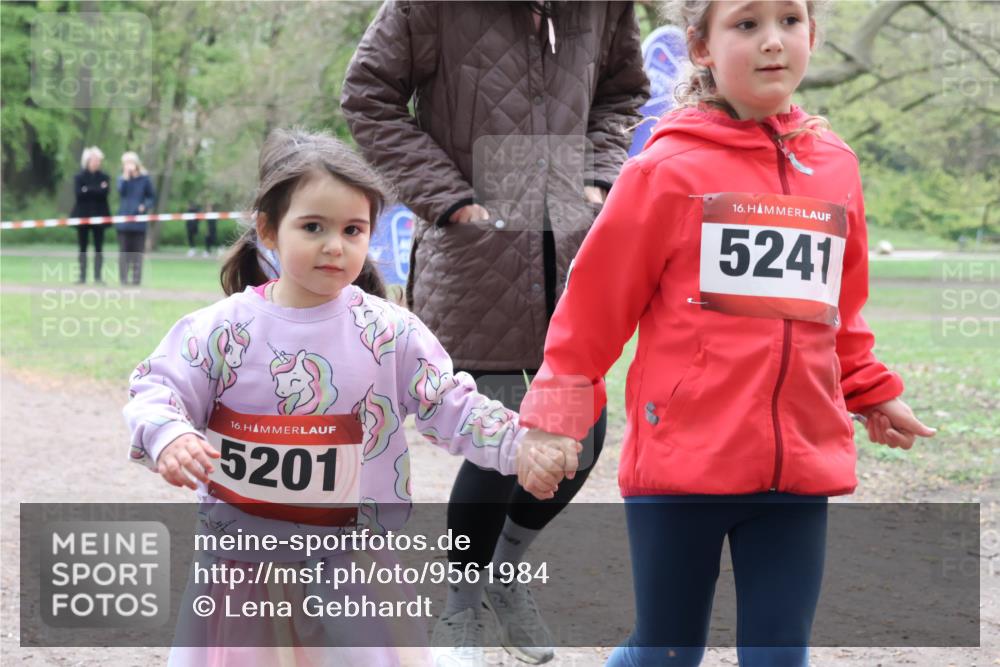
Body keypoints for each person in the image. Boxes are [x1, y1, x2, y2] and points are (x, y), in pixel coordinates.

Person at [517, 1, 937, 666]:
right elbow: (592, 308)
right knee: (666, 652)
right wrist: (554, 418)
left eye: (790, 21)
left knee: (778, 655)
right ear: (702, 47)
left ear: (812, 35)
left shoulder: (835, 167)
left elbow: (840, 311)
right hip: (683, 466)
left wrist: (869, 390)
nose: (772, 41)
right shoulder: (664, 171)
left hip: (797, 469)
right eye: (746, 24)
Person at [123, 129, 581, 666]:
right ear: (268, 230)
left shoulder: (390, 332)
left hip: (355, 570)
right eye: (312, 227)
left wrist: (519, 444)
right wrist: (169, 435)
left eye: (352, 229)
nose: (334, 245)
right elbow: (158, 388)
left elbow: (451, 404)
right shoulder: (221, 329)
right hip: (243, 569)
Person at [341, 4, 649, 663]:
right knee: (500, 434)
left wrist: (596, 181)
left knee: (583, 439)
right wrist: (448, 198)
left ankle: (505, 572)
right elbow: (366, 93)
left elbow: (624, 89)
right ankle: (459, 610)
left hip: (571, 252)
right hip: (476, 256)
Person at [70, 146, 112, 284]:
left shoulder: (105, 177)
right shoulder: (79, 177)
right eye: (94, 160)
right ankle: (82, 276)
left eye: (99, 160)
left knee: (99, 247)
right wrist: (96, 189)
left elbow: (104, 193)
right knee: (82, 247)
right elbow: (79, 194)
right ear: (88, 160)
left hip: (99, 215)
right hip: (83, 215)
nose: (97, 162)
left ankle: (98, 276)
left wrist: (88, 189)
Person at [117, 151, 156, 285]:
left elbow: (151, 198)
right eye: (126, 163)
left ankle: (136, 279)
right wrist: (126, 177)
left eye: (130, 162)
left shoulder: (145, 179)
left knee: (137, 252)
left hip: (139, 222)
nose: (128, 166)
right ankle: (123, 279)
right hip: (124, 221)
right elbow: (120, 191)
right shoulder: (122, 179)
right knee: (124, 251)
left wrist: (144, 206)